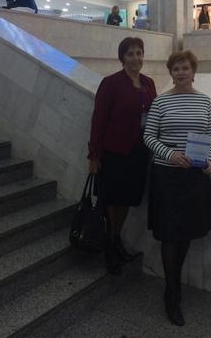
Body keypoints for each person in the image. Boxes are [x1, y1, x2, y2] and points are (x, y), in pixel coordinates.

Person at [143, 50, 211, 327]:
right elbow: (148, 137)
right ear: (171, 73)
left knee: (185, 232)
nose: (181, 72)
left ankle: (172, 288)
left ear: (193, 71)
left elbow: (208, 135)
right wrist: (171, 155)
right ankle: (172, 294)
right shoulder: (161, 102)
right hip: (167, 175)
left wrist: (210, 159)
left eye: (185, 68)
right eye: (176, 69)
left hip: (193, 176)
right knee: (169, 235)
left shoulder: (204, 101)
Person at [88, 37, 157, 275]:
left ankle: (116, 240)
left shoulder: (148, 83)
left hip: (139, 153)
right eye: (130, 54)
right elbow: (98, 120)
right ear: (122, 57)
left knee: (127, 199)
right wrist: (94, 155)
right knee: (113, 200)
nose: (136, 58)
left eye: (139, 53)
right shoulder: (111, 83)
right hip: (115, 152)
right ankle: (110, 245)